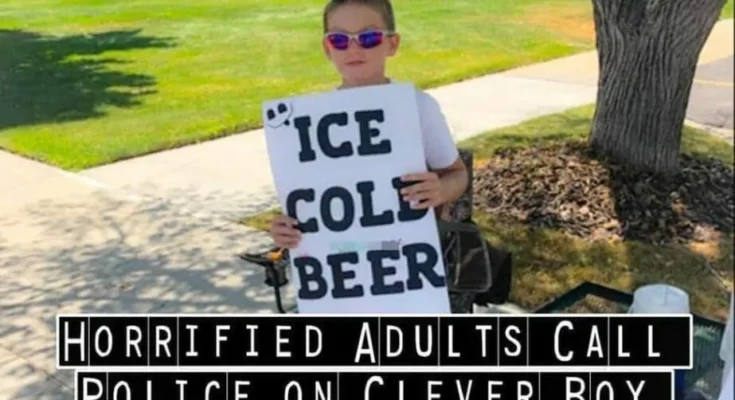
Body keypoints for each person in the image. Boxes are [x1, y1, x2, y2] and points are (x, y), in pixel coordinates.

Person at [270, 0, 468, 248]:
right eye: (339, 40)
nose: (353, 49)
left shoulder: (417, 106)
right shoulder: (309, 121)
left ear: (392, 43)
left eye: (369, 37)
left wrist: (440, 189)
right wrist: (284, 228)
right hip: (340, 259)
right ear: (327, 48)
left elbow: (458, 175)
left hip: (405, 252)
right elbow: (304, 203)